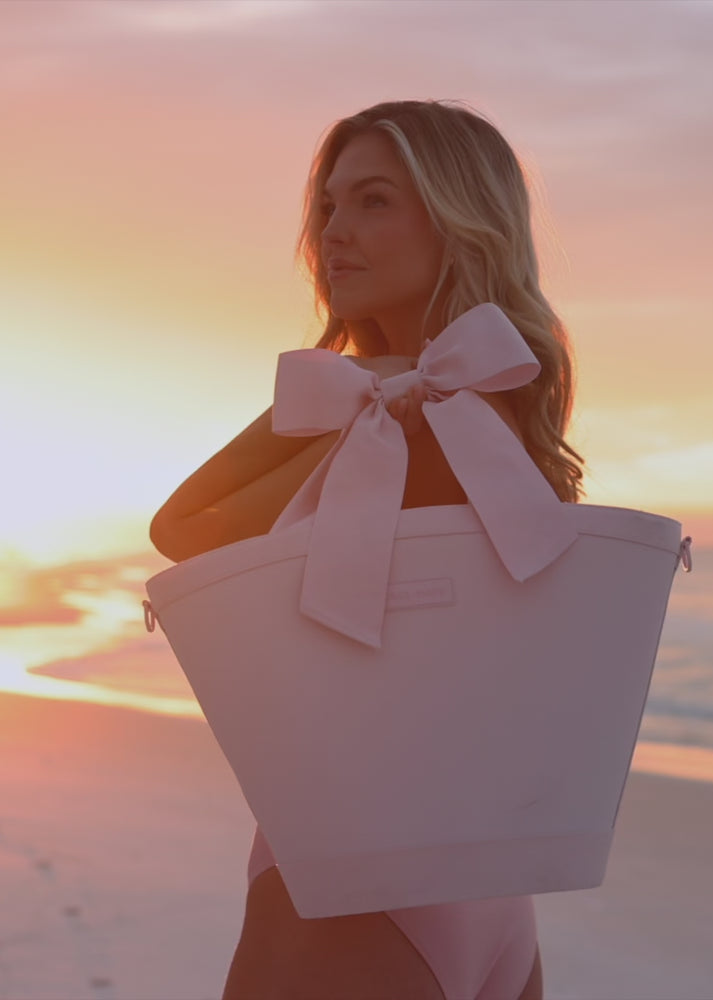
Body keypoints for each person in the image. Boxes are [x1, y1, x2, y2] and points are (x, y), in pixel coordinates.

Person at [150, 100, 584, 1000]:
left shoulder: (409, 425)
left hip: (352, 879)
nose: (334, 232)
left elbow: (186, 532)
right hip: (494, 892)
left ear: (460, 220)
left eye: (375, 201)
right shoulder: (478, 412)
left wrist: (373, 396)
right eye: (327, 207)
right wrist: (376, 382)